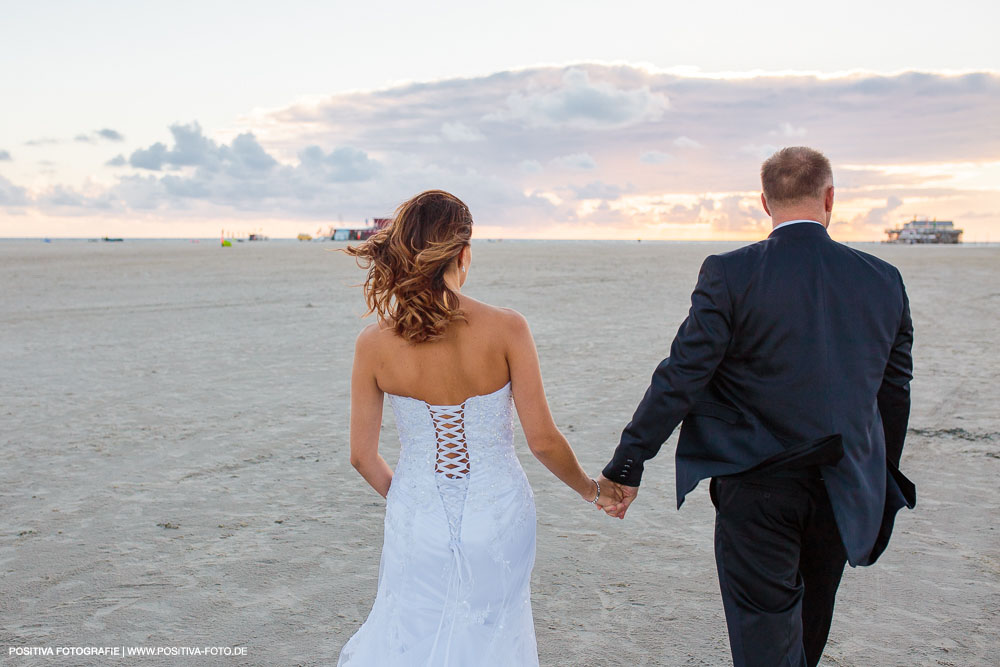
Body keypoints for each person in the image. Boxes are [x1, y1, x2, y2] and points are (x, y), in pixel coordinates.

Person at [598, 147, 916, 666]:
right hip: (843, 486)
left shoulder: (730, 273)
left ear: (764, 202)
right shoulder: (883, 279)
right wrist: (879, 477)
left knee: (766, 647)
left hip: (757, 487)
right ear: (830, 198)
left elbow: (683, 374)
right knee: (806, 641)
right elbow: (894, 393)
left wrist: (630, 460)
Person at [337, 190, 620, 666]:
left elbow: (362, 457)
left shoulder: (373, 344)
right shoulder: (507, 327)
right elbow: (543, 441)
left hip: (415, 515)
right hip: (499, 511)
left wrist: (415, 496)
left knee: (411, 629)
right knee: (495, 630)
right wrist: (595, 492)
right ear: (464, 252)